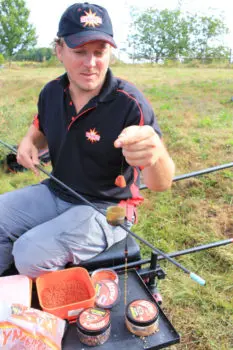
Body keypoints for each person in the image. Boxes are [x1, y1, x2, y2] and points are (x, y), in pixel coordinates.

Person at [0, 3, 175, 278]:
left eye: (99, 52)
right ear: (59, 50)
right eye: (79, 52)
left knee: (28, 253)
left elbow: (160, 183)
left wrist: (156, 154)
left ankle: (48, 307)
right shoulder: (51, 92)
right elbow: (41, 127)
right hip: (57, 191)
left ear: (110, 53)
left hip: (106, 209)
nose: (90, 63)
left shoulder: (129, 104)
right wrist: (28, 141)